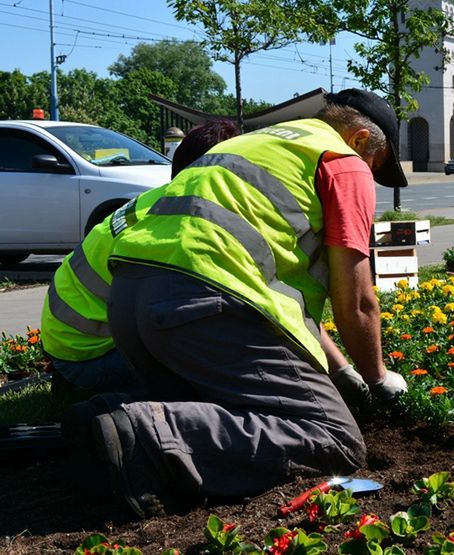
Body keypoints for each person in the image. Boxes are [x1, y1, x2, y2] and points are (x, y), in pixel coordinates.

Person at [67, 88, 408, 518]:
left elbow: (279, 290)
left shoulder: (252, 144)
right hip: (204, 306)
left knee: (229, 407)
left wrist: (341, 371)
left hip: (135, 305)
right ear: (360, 140)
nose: (372, 178)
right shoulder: (341, 161)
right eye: (377, 165)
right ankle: (148, 434)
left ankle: (104, 420)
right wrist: (378, 379)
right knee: (333, 437)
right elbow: (357, 301)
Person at [43, 119, 240, 394]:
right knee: (214, 371)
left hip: (72, 342)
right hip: (89, 355)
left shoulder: (160, 200)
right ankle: (107, 403)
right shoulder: (184, 220)